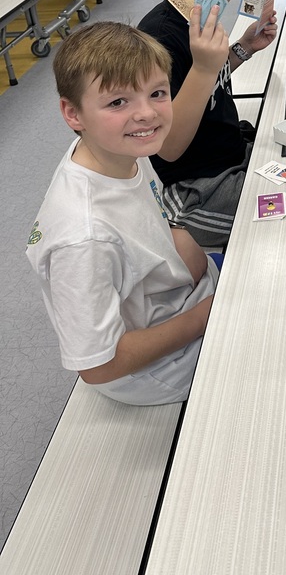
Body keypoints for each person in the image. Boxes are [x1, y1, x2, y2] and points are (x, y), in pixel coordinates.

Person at [26, 21, 219, 405]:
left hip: (178, 300)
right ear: (73, 113)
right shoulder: (83, 237)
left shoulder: (119, 150)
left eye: (157, 93)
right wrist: (204, 317)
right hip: (156, 369)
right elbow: (99, 365)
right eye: (118, 102)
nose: (146, 113)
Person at [138, 0, 277, 245]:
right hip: (195, 189)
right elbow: (167, 147)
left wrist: (244, 48)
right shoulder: (159, 38)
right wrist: (203, 65)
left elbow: (208, 82)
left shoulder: (198, 19)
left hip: (226, 152)